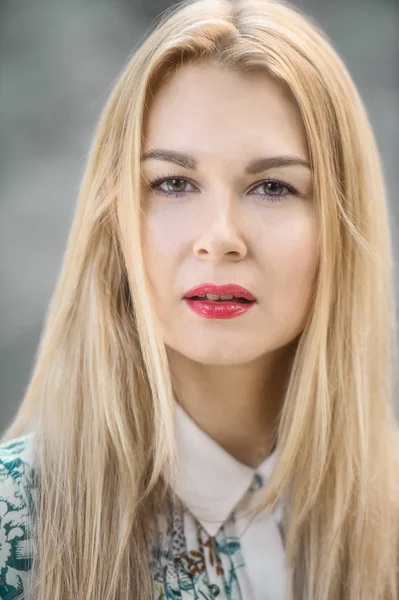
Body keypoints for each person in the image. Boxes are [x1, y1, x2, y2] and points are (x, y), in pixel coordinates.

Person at [1, 0, 399, 598]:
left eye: (272, 186)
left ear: (341, 226)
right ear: (114, 221)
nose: (220, 238)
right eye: (173, 183)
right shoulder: (13, 528)